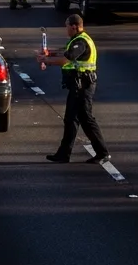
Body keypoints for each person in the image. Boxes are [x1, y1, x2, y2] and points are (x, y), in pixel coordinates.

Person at [40, 14, 111, 164]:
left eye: (67, 26)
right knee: (73, 119)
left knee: (85, 119)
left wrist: (47, 61)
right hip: (79, 85)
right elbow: (66, 51)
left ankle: (102, 153)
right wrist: (50, 53)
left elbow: (67, 59)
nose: (66, 30)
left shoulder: (81, 41)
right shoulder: (77, 40)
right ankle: (64, 154)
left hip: (83, 85)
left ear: (74, 26)